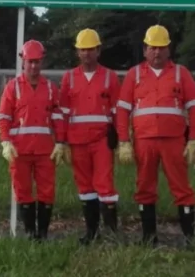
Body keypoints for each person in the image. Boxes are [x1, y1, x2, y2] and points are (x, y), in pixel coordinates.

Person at [115, 25, 195, 246]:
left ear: (168, 49)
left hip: (174, 141)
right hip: (144, 141)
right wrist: (124, 140)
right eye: (153, 47)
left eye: (161, 47)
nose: (157, 52)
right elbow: (122, 109)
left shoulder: (181, 73)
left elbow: (194, 108)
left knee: (181, 187)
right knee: (144, 187)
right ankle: (149, 237)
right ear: (145, 49)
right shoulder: (134, 75)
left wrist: (193, 139)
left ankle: (190, 238)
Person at [0, 40, 68, 241]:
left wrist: (61, 142)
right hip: (19, 151)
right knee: (23, 191)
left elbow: (58, 118)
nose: (34, 66)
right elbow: (3, 117)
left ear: (42, 61)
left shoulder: (51, 89)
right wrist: (5, 142)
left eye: (37, 62)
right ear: (23, 62)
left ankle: (43, 234)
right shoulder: (13, 88)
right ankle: (30, 233)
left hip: (45, 151)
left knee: (47, 192)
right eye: (30, 62)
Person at [56, 28, 120, 245]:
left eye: (90, 49)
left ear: (98, 50)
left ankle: (111, 234)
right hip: (77, 141)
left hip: (102, 140)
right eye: (82, 50)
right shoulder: (68, 78)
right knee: (85, 187)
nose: (86, 54)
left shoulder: (110, 77)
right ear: (77, 53)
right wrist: (61, 142)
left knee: (105, 185)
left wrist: (122, 140)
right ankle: (91, 232)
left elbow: (117, 111)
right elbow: (62, 113)